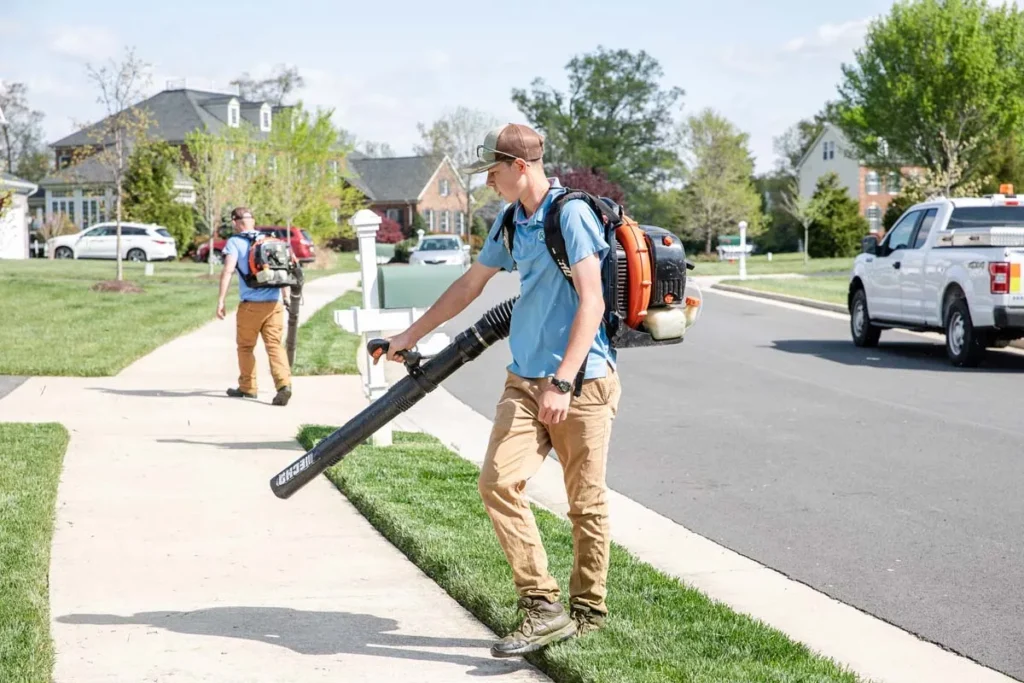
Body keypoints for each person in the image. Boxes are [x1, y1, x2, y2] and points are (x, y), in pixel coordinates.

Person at [378, 123, 621, 657]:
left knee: (585, 503)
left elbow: (593, 301)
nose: (488, 181)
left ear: (520, 167)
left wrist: (564, 379)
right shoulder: (514, 220)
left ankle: (588, 612)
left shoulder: (571, 215)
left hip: (581, 383)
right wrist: (409, 336)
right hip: (524, 380)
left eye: (492, 170)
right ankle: (542, 604)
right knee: (497, 483)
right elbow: (470, 285)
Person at [216, 206, 292, 407]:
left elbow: (228, 271)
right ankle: (284, 384)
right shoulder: (270, 240)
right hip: (274, 304)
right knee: (275, 346)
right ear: (253, 220)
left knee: (246, 347)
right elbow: (281, 271)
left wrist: (221, 300)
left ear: (235, 222)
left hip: (250, 306)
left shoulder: (235, 242)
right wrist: (286, 296)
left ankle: (248, 387)